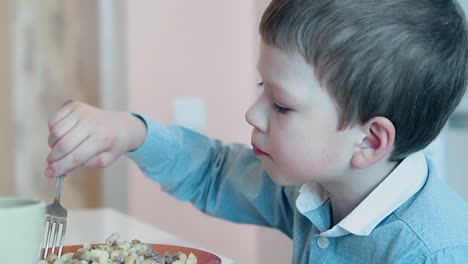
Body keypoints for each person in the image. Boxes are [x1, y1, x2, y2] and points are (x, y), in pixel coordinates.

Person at [45, 0, 468, 262]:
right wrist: (129, 132)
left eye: (281, 104)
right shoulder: (319, 189)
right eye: (261, 87)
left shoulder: (435, 252)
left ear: (370, 141)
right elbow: (215, 171)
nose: (252, 113)